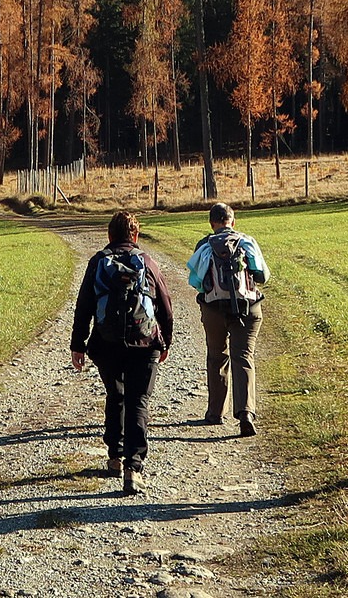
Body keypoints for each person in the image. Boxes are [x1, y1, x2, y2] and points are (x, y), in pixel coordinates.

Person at [70, 211, 174, 494]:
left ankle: (114, 457)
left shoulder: (98, 262)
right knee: (139, 400)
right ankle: (134, 468)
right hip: (145, 343)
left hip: (106, 343)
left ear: (109, 235)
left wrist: (78, 345)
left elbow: (84, 306)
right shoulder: (148, 262)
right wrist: (165, 340)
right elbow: (164, 304)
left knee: (116, 396)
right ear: (136, 236)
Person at [185, 202, 271, 437]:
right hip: (248, 309)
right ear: (233, 221)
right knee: (243, 356)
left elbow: (197, 281)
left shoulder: (204, 245)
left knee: (217, 357)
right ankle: (245, 413)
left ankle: (215, 413)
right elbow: (262, 276)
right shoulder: (247, 241)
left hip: (214, 309)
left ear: (212, 223)